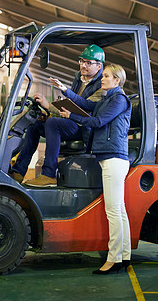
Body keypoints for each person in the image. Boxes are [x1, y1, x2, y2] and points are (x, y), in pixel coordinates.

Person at [56, 64, 132, 274]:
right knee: (120, 211)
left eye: (106, 76)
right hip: (110, 157)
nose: (102, 79)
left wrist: (71, 118)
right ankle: (124, 256)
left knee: (113, 211)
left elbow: (98, 121)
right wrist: (65, 90)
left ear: (117, 80)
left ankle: (114, 259)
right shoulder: (107, 99)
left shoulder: (119, 100)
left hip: (114, 158)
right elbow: (87, 104)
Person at [9, 44, 105, 187]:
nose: (83, 65)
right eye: (82, 61)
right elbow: (71, 105)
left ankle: (48, 174)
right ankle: (18, 171)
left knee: (53, 124)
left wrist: (50, 105)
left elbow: (85, 106)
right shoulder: (79, 79)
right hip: (72, 121)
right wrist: (49, 113)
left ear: (99, 66)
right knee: (35, 125)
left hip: (85, 127)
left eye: (88, 62)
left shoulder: (102, 84)